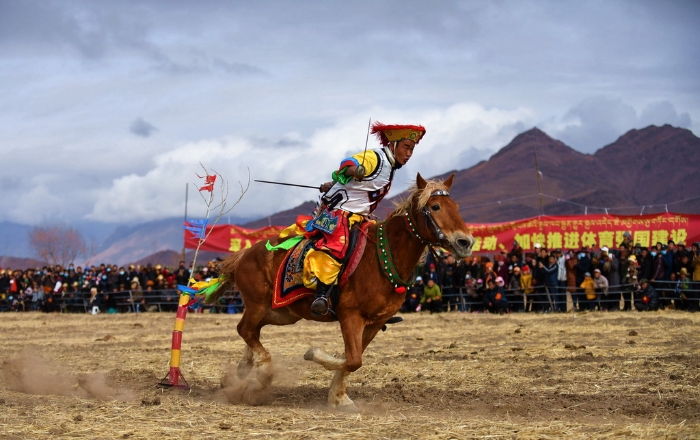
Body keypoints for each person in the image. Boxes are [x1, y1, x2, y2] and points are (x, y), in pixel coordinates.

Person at [306, 122, 426, 316]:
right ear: (393, 145)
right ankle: (321, 295)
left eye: (412, 149)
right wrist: (356, 170)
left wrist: (334, 183)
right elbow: (348, 164)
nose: (409, 153)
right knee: (339, 245)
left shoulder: (390, 166)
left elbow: (352, 184)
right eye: (406, 147)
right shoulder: (375, 157)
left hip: (360, 217)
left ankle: (374, 304)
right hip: (337, 214)